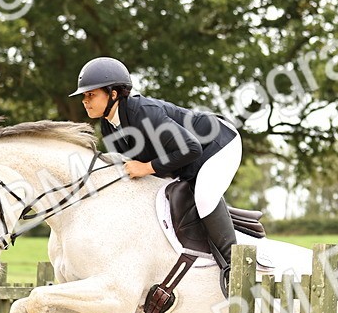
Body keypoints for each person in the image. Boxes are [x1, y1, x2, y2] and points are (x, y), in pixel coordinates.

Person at [71, 57, 241, 296]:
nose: (85, 101)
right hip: (187, 161)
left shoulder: (144, 113)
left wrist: (147, 167)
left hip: (218, 144)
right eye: (84, 96)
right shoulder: (109, 126)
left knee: (203, 196)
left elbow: (191, 148)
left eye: (91, 95)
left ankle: (238, 270)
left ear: (113, 94)